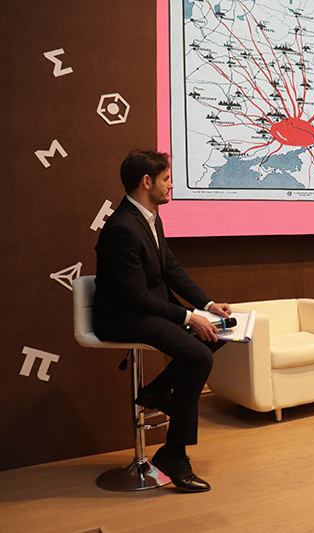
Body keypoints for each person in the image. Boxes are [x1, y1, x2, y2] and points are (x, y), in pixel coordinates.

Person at [93, 149, 232, 493]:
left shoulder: (150, 217)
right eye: (166, 179)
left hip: (148, 308)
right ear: (147, 181)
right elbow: (132, 298)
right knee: (198, 356)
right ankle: (174, 455)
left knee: (219, 333)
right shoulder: (122, 227)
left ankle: (155, 391)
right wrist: (188, 317)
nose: (171, 185)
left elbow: (170, 268)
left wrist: (207, 305)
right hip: (124, 317)